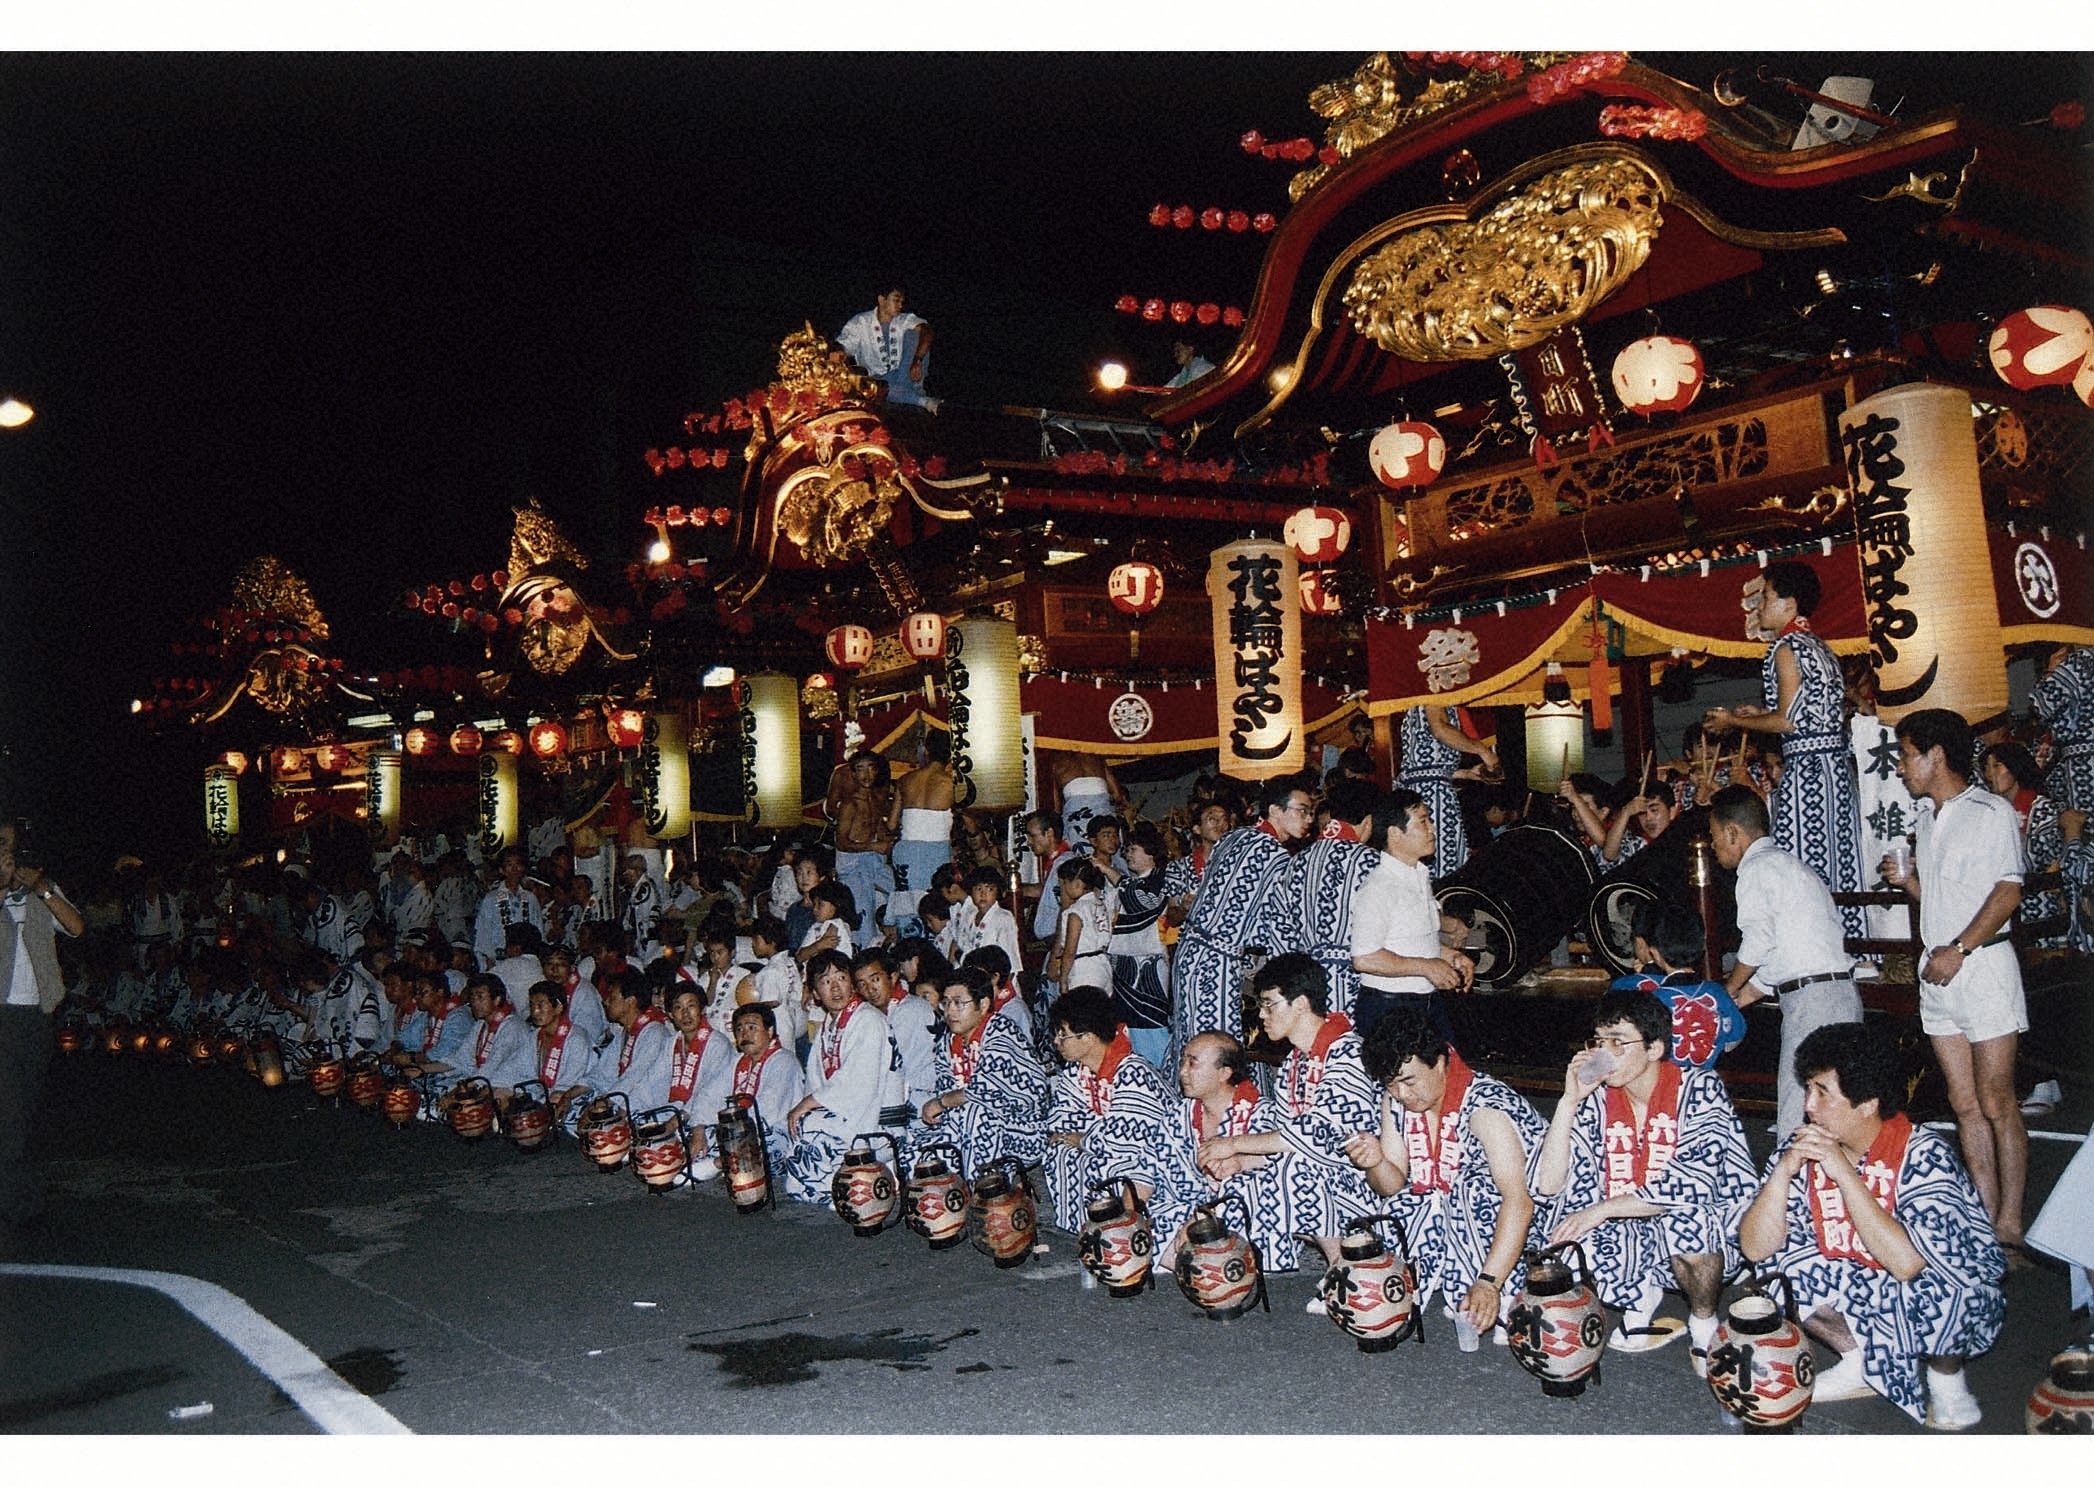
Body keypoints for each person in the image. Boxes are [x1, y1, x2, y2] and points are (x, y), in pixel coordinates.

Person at [1739, 1021, 2004, 1429]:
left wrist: (1844, 1173)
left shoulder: (1923, 1153)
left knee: (1952, 1285)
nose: (1808, 1105)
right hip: (1861, 1273)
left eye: (1822, 1093)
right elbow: (1755, 1249)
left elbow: (1907, 1264)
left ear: (1867, 1105)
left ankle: (1946, 1378)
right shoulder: (1807, 1144)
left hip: (1924, 1278)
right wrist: (1783, 1172)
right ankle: (1858, 1361)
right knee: (1779, 1269)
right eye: (1808, 1089)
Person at [1532, 991, 1757, 1374]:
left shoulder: (1699, 1089)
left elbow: (1690, 1185)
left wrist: (1602, 1210)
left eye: (1618, 1042)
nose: (1604, 1054)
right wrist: (1569, 1101)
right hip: (1631, 1222)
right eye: (1598, 1042)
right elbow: (1548, 1184)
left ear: (1654, 1048)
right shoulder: (1598, 1099)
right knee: (1561, 1234)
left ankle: (1703, 1322)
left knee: (1686, 1217)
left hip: (1715, 1227)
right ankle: (1641, 1294)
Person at [1886, 707, 2030, 1254]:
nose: (1901, 767)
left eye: (1906, 754)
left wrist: (1961, 949)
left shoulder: (1990, 812)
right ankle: (1986, 1216)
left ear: (1935, 755)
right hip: (1939, 974)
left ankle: (2012, 1221)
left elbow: (2007, 891)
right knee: (1963, 1102)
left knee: (1997, 1101)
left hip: (1984, 968)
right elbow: (1945, 901)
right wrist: (1912, 883)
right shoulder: (1926, 820)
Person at [1351, 1002, 1545, 1343]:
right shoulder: (1396, 1098)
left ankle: (1504, 1288)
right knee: (1406, 1202)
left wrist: (1489, 1283)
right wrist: (1376, 1162)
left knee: (1468, 1189)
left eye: (1409, 1081)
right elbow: (1391, 1185)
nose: (1402, 1094)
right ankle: (1435, 1283)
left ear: (1441, 1062)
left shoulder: (1487, 1109)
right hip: (1457, 1207)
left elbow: (1521, 1202)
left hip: (1532, 1219)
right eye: (1391, 1084)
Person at [1703, 560, 1865, 935]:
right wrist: (1761, 713)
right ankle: (1854, 947)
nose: (1759, 607)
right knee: (1839, 860)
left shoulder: (1787, 648)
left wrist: (1734, 721)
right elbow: (1808, 713)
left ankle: (1810, 945)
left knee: (1802, 864)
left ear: (1790, 604)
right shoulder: (1819, 646)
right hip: (1834, 769)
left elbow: (1789, 721)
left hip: (1807, 771)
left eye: (1767, 598)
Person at [1196, 954, 1379, 1285]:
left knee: (1295, 1168)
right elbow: (1280, 1141)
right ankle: (1233, 1278)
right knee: (1235, 1182)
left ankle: (1346, 1271)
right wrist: (1240, 1161)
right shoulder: (1295, 1062)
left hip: (1367, 1183)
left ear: (1300, 1004)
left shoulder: (1347, 1052)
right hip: (1322, 1174)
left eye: (1269, 1004)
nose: (1262, 1015)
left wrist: (1233, 1145)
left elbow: (1312, 1137)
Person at [1709, 783, 1860, 1138]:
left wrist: (1727, 988)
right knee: (1837, 1109)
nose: (1714, 847)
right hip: (1836, 995)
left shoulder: (1755, 870)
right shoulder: (1790, 866)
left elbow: (1759, 943)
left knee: (1800, 1105)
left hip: (1812, 1004)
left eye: (1715, 837)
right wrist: (1736, 1001)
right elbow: (1784, 959)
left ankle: (1788, 1189)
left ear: (1733, 833)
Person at [1169, 774, 1312, 1079]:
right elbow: (1278, 927)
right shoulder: (1274, 855)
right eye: (1301, 810)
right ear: (1275, 810)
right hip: (1215, 961)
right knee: (1215, 1048)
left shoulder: (1235, 837)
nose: (1308, 819)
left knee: (1190, 1040)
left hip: (1190, 952)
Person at [1, 822, 84, 1233]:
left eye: (10, 847)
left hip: (36, 1015)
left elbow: (76, 927)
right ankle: (19, 1203)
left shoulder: (41, 892)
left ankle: (23, 1194)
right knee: (10, 1109)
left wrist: (43, 889)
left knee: (26, 1107)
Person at [1041, 986, 1175, 1239]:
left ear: (1089, 1037)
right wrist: (1084, 1133)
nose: (1056, 1043)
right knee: (1060, 1150)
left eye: (1063, 1035)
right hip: (1105, 1142)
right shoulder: (1075, 1071)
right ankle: (1082, 1228)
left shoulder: (1133, 1071)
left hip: (1153, 1159)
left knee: (1105, 1161)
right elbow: (1060, 1118)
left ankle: (1119, 1231)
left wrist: (1083, 1137)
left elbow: (1125, 1141)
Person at [780, 950, 908, 1203]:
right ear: (815, 993)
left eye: (841, 978)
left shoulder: (868, 1019)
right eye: (826, 982)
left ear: (851, 983)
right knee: (800, 1132)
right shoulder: (830, 1024)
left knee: (810, 1127)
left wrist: (808, 1105)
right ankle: (836, 1185)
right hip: (848, 1112)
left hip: (877, 1116)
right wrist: (809, 1106)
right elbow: (816, 1080)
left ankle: (853, 1186)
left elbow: (858, 1081)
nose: (835, 988)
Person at [1350, 788, 1471, 1042]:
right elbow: (1365, 958)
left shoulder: (1418, 877)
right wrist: (1427, 967)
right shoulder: (1379, 886)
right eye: (1423, 821)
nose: (1432, 829)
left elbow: (1409, 941)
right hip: (1389, 1009)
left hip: (1425, 1003)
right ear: (1395, 834)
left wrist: (1451, 955)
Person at [912, 965, 1047, 1179]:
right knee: (916, 1148)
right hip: (961, 1123)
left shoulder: (1001, 1033)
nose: (950, 1011)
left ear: (983, 1005)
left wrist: (941, 1103)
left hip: (1022, 1128)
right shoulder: (948, 1040)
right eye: (945, 1003)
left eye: (959, 1003)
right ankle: (949, 1202)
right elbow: (945, 1086)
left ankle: (984, 1192)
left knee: (976, 1115)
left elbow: (984, 1092)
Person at [1154, 1032, 1260, 1264]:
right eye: (1183, 1061)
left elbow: (1272, 1164)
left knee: (1244, 1194)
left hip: (1236, 1212)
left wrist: (1201, 1218)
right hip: (1189, 1207)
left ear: (1224, 1073)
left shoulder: (1260, 1114)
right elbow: (1150, 1168)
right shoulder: (1178, 1116)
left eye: (1193, 1063)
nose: (1182, 1071)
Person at [1612, 899, 1745, 1071]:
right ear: (1701, 947)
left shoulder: (1651, 1000)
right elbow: (1734, 1038)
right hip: (1704, 1083)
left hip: (1662, 1087)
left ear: (1655, 953)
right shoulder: (1717, 992)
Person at [1296, 775, 1383, 1022]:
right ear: (1369, 820)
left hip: (1306, 983)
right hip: (1355, 980)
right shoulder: (1371, 861)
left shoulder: (1297, 861)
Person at [1978, 740, 2068, 941]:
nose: (1990, 774)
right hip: (2000, 899)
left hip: (2038, 899)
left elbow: (2042, 859)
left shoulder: (2041, 807)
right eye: (1986, 768)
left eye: (1997, 766)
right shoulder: (1990, 810)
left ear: (2015, 767)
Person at [1397, 704, 1497, 879]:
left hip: (1429, 789)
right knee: (1441, 861)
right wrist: (1483, 750)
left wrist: (1465, 773)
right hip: (1430, 796)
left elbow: (1426, 768)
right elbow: (1440, 730)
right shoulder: (1432, 692)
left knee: (1446, 858)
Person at [1106, 822, 1172, 1069]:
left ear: (1151, 853)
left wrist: (1107, 870)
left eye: (1134, 849)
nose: (1128, 854)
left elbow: (1142, 901)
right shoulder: (1134, 882)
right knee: (1127, 1024)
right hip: (1124, 962)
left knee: (1150, 1020)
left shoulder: (1160, 879)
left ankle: (1160, 1073)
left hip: (1148, 962)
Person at [725, 1002, 806, 1182]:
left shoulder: (784, 1061)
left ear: (769, 1032)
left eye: (752, 1027)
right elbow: (710, 1095)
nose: (745, 1034)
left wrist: (729, 1134)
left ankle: (719, 1162)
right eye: (739, 1029)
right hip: (741, 1128)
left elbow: (768, 1111)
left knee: (758, 1146)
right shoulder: (738, 1061)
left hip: (775, 1131)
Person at [664, 977, 735, 1180]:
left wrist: (684, 1123)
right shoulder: (672, 1043)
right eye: (678, 1008)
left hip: (709, 1117)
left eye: (691, 1006)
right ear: (670, 1015)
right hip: (680, 1113)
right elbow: (652, 1081)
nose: (685, 1014)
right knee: (646, 1122)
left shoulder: (717, 1044)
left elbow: (710, 1094)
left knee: (713, 1138)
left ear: (702, 1009)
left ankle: (709, 1165)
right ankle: (688, 1165)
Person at [854, 948, 936, 1123]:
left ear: (892, 977)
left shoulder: (912, 1009)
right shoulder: (874, 1014)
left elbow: (891, 1067)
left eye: (875, 979)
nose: (870, 989)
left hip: (922, 1100)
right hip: (899, 1096)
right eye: (862, 984)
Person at [888, 733, 955, 935]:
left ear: (926, 751)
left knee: (907, 907)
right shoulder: (951, 783)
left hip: (906, 851)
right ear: (951, 756)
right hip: (936, 851)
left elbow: (891, 824)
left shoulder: (905, 780)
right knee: (936, 905)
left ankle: (908, 951)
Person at [830, 750, 897, 948]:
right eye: (860, 769)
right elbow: (842, 843)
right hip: (852, 865)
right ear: (853, 774)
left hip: (871, 861)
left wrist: (890, 840)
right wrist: (874, 846)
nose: (866, 774)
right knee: (863, 916)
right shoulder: (850, 804)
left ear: (876, 771)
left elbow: (879, 830)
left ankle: (889, 944)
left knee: (898, 894)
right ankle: (863, 953)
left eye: (870, 768)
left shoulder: (876, 800)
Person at [837, 285, 936, 409]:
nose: (900, 306)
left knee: (915, 334)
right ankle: (920, 400)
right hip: (879, 380)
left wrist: (917, 360)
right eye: (896, 300)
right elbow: (844, 346)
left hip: (906, 374)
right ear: (881, 299)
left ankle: (905, 391)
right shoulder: (860, 321)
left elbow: (928, 332)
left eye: (902, 302)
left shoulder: (904, 319)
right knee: (871, 386)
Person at [2030, 643, 2094, 815]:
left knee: (2081, 831)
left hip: (2085, 769)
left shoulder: (2082, 661)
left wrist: (2052, 671)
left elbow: (2041, 704)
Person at [1044, 857, 1112, 999]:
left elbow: (1070, 951)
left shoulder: (1076, 912)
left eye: (1064, 884)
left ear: (1076, 884)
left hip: (1083, 971)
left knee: (1081, 1015)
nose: (1062, 889)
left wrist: (1063, 979)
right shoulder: (1099, 904)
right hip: (1103, 966)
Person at [1040, 749, 1129, 855]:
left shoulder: (1056, 762)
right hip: (1106, 821)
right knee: (1113, 857)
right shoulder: (1096, 757)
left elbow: (1056, 809)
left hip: (1078, 822)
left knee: (1084, 860)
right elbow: (1117, 795)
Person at [473, 848, 545, 971]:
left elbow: (538, 928)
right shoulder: (491, 898)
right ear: (502, 870)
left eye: (518, 864)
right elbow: (483, 930)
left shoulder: (530, 898)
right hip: (498, 959)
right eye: (509, 864)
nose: (514, 868)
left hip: (526, 959)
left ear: (523, 868)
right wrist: (487, 958)